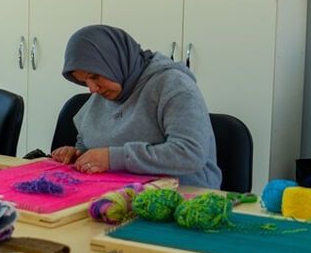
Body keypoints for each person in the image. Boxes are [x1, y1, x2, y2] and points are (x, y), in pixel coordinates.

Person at [52, 24, 221, 188]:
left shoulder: (174, 86)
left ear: (114, 61)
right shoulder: (106, 91)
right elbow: (87, 141)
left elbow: (189, 153)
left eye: (95, 76)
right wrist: (78, 155)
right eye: (84, 81)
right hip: (119, 191)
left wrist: (113, 158)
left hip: (184, 196)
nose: (92, 89)